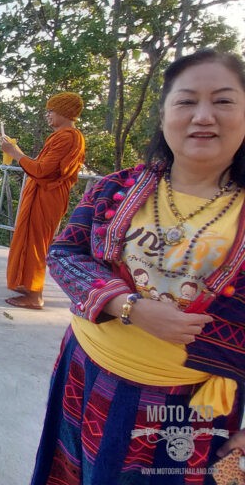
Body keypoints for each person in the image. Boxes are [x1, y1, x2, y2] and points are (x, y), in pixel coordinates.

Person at [32, 49, 245, 483]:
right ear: (164, 114)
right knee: (70, 471)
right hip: (85, 366)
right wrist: (127, 305)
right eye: (186, 101)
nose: (203, 116)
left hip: (182, 401)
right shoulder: (118, 187)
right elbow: (64, 253)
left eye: (223, 101)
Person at [0, 92, 86, 310]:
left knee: (37, 242)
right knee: (30, 239)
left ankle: (35, 295)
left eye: (51, 111)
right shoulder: (63, 136)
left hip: (47, 196)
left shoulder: (67, 137)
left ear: (64, 112)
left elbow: (42, 170)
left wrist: (15, 153)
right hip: (44, 195)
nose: (47, 115)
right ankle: (27, 284)